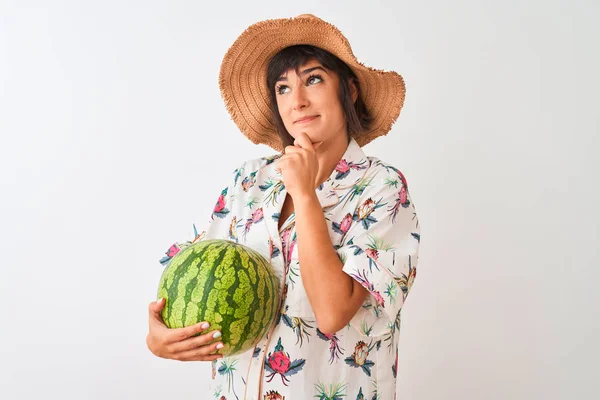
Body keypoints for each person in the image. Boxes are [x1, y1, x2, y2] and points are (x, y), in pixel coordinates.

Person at [147, 14, 420, 400]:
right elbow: (189, 281)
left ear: (351, 90)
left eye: (313, 79)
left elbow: (332, 313)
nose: (298, 101)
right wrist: (160, 335)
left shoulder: (382, 188)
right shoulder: (247, 181)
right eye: (282, 87)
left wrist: (305, 194)